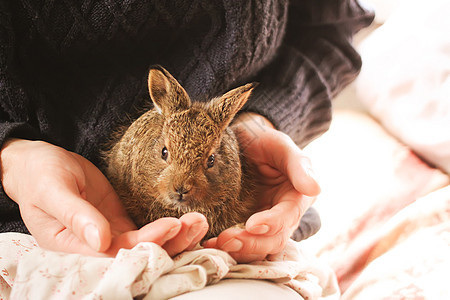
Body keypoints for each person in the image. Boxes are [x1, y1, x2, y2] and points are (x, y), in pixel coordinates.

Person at [0, 0, 374, 263]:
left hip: (234, 239)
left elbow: (329, 33)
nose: (181, 184)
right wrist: (12, 156)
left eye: (208, 162)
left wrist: (263, 119)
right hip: (27, 223)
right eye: (166, 156)